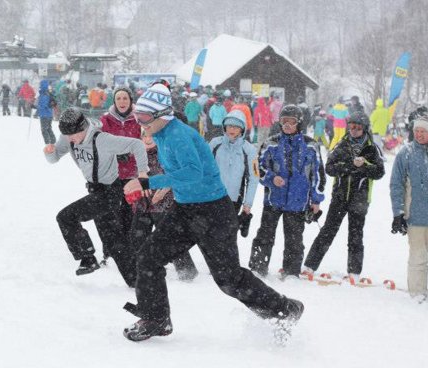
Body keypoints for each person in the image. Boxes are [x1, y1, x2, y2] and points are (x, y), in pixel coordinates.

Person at [120, 83, 303, 342]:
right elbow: (181, 174)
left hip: (213, 212)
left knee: (228, 279)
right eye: (138, 116)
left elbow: (193, 173)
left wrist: (150, 182)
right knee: (149, 257)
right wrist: (154, 182)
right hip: (185, 209)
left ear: (162, 115)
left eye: (145, 117)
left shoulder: (178, 135)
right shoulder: (160, 135)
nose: (140, 122)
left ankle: (285, 309)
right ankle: (156, 318)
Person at [43, 108, 148, 287]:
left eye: (73, 135)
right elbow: (54, 158)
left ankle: (87, 257)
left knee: (66, 217)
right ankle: (136, 281)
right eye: (66, 135)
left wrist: (143, 174)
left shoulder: (103, 140)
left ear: (83, 127)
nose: (70, 139)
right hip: (95, 191)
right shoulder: (68, 136)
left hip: (110, 192)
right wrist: (50, 152)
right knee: (113, 240)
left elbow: (137, 145)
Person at [303, 112, 384, 281]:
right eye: (351, 127)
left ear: (365, 129)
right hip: (339, 197)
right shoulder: (342, 144)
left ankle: (354, 271)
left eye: (358, 128)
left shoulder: (371, 148)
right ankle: (310, 265)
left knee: (355, 235)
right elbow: (330, 167)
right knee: (328, 231)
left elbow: (379, 172)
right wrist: (349, 166)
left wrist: (364, 166)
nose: (354, 130)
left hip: (360, 199)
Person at [248, 105, 325, 278]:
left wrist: (316, 200)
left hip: (298, 202)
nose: (287, 125)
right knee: (265, 235)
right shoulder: (270, 143)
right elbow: (257, 168)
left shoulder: (311, 145)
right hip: (273, 199)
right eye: (284, 121)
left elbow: (317, 174)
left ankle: (291, 272)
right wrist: (271, 178)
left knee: (294, 240)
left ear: (299, 123)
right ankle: (258, 268)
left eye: (292, 122)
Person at [129, 131, 198, 281]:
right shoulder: (138, 154)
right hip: (143, 202)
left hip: (163, 202)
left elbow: (176, 175)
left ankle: (187, 270)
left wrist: (163, 191)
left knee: (170, 237)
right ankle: (141, 268)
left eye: (150, 136)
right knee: (137, 235)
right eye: (144, 136)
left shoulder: (165, 153)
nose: (147, 140)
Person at [390, 115, 428, 302]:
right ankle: (418, 292)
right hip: (416, 215)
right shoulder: (406, 153)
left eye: (423, 131)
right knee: (418, 257)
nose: (418, 134)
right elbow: (396, 185)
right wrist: (398, 213)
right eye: (416, 131)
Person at [99, 86, 141, 263]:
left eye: (125, 98)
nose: (122, 102)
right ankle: (109, 252)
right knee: (112, 213)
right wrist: (115, 152)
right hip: (111, 174)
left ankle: (131, 250)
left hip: (133, 173)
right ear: (114, 102)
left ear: (130, 101)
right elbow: (99, 142)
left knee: (131, 213)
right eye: (119, 99)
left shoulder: (139, 119)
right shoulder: (106, 120)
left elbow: (144, 141)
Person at [208, 110, 260, 238]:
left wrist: (247, 205)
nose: (232, 129)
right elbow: (205, 170)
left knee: (228, 236)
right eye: (229, 125)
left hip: (234, 199)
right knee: (211, 236)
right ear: (224, 127)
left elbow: (253, 178)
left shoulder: (249, 150)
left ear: (242, 129)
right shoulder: (215, 144)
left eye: (236, 126)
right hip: (213, 197)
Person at [37, 80, 56, 147]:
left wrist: (35, 107)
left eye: (40, 85)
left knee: (44, 129)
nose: (39, 86)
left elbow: (43, 105)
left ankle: (47, 143)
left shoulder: (44, 94)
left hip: (44, 114)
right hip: (49, 114)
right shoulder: (48, 93)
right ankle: (53, 141)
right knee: (48, 128)